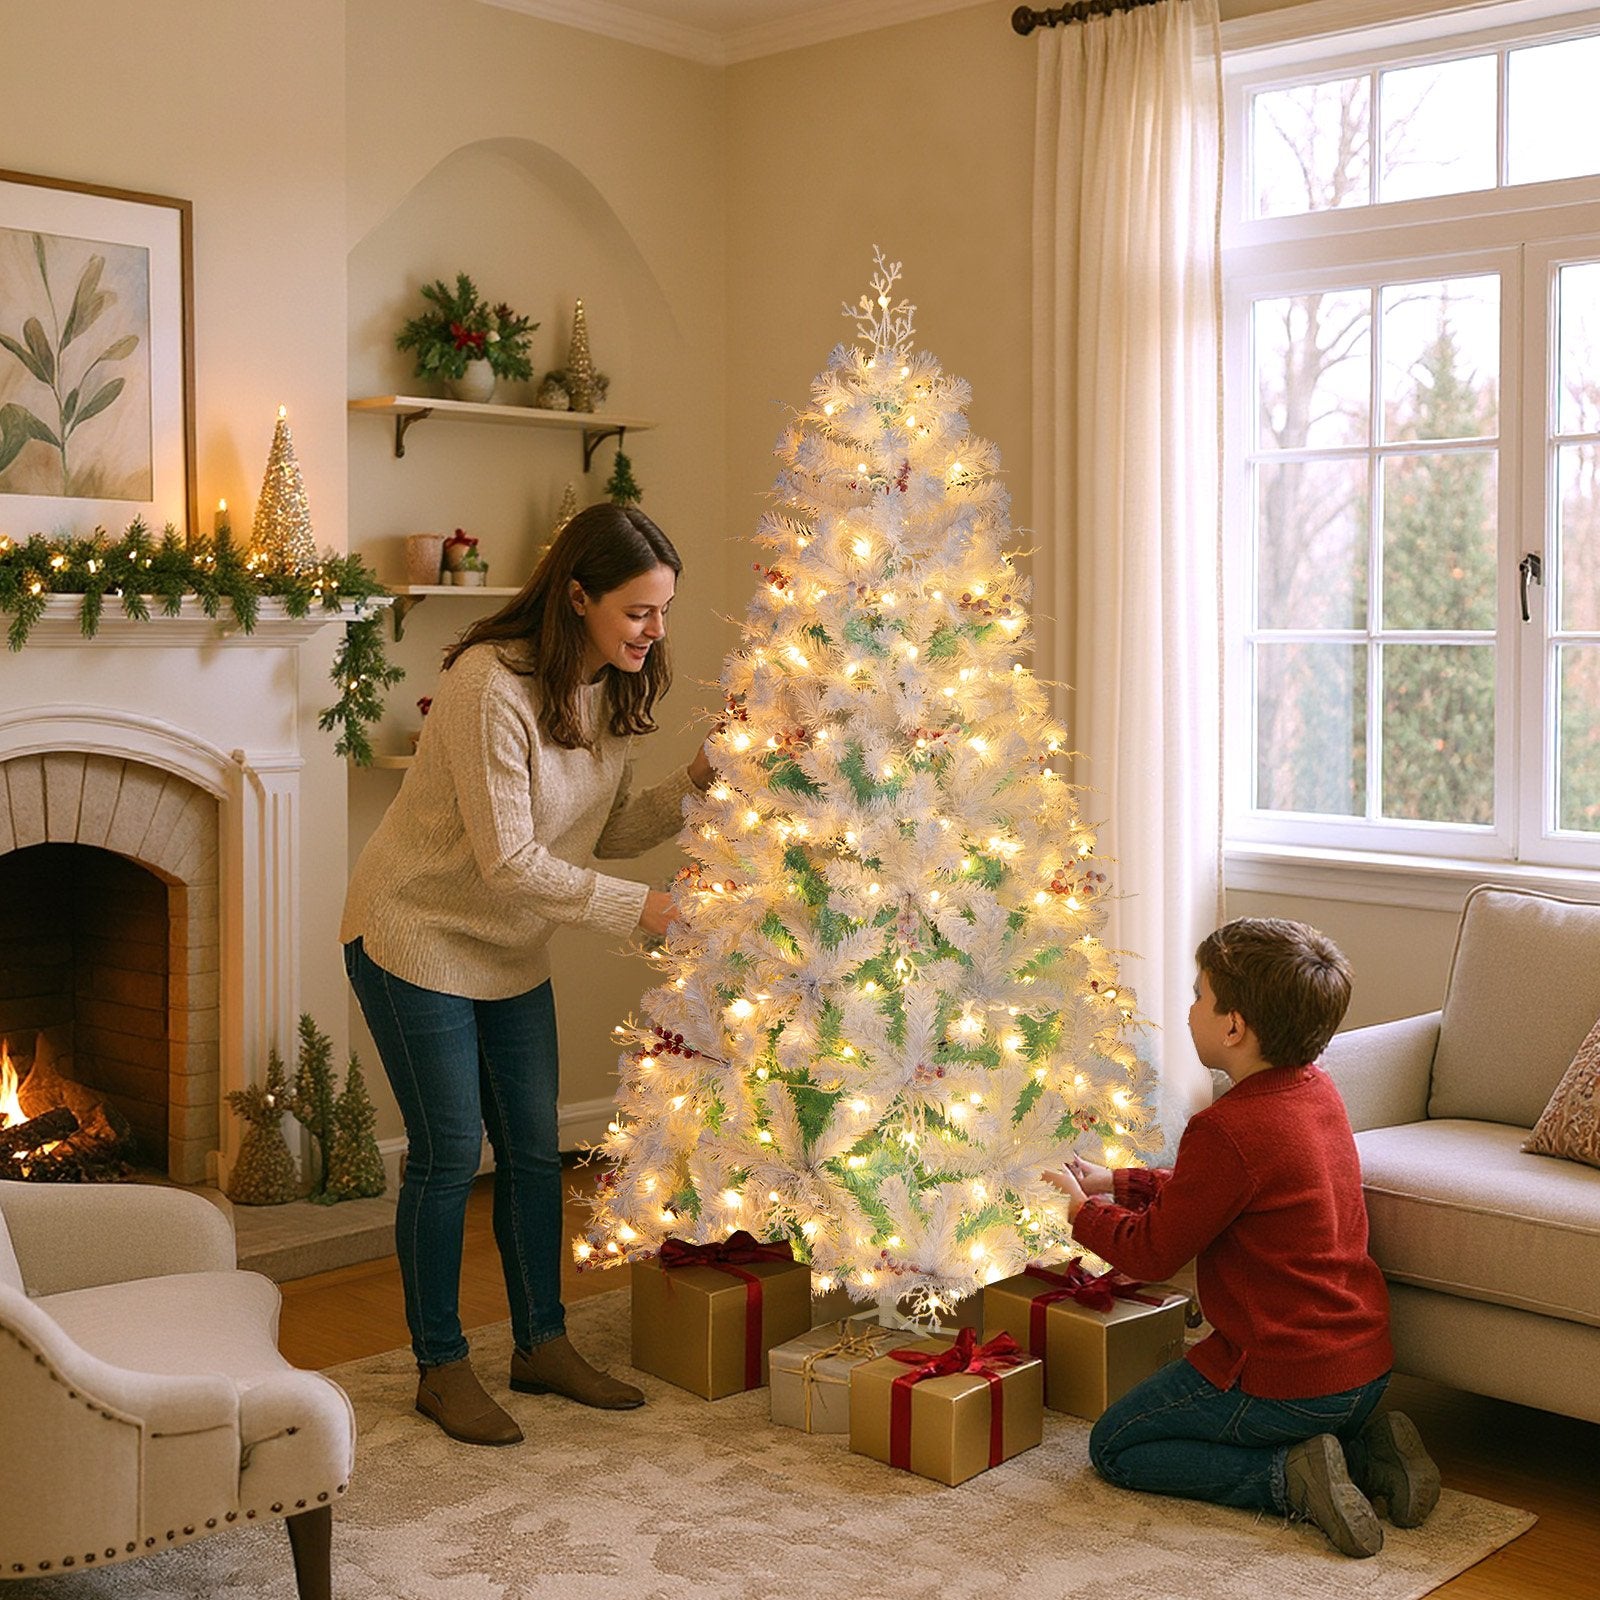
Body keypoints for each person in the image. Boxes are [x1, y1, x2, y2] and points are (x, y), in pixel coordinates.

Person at [342, 503, 713, 1447]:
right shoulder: (487, 685)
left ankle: (540, 1345)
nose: (655, 632)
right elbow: (510, 860)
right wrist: (646, 909)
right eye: (638, 612)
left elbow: (609, 827)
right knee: (446, 1154)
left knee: (535, 1154)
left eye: (663, 611)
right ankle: (440, 1364)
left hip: (509, 948)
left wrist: (703, 779)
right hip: (414, 933)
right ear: (577, 595)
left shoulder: (613, 685)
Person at [1043, 917, 1440, 1558]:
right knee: (1167, 1428)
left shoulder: (1225, 1128)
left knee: (1116, 1445)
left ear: (1234, 1027)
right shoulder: (1319, 1092)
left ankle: (1288, 1479)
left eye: (1200, 995)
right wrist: (1119, 1182)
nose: (1190, 1007)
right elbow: (1224, 1193)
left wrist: (1081, 1213)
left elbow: (1153, 1253)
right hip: (1365, 1368)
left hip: (1288, 1382)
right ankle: (1368, 1451)